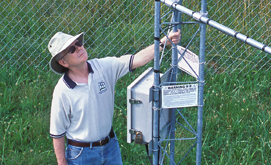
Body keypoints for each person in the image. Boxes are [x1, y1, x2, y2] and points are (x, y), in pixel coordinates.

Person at [48, 29, 181, 165]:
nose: (79, 48)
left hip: (110, 146)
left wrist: (164, 42)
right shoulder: (62, 91)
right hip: (82, 154)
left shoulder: (103, 67)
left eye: (79, 43)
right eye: (71, 49)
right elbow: (57, 133)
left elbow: (137, 59)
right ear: (63, 63)